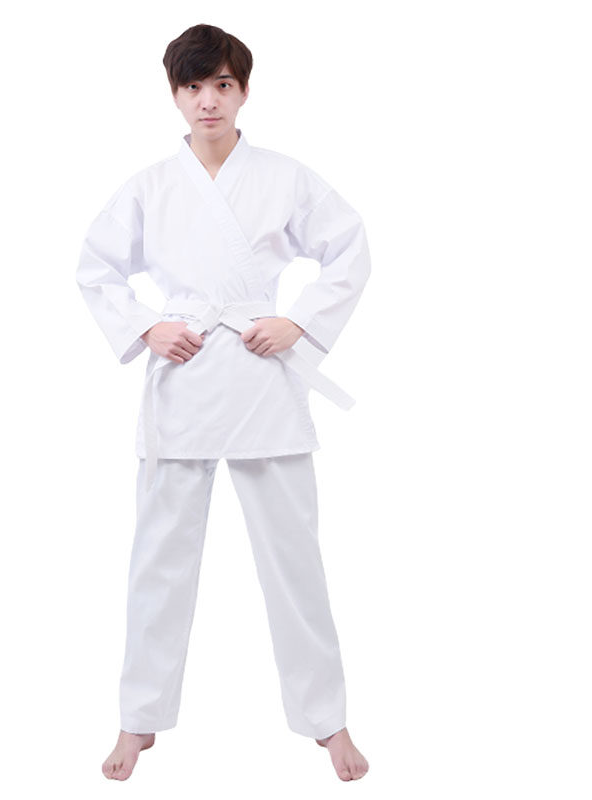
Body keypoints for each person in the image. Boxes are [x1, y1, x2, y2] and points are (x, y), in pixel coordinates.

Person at [76, 23, 371, 782]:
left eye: (223, 85)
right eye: (193, 86)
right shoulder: (149, 187)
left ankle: (327, 718)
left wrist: (298, 321)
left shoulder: (284, 177)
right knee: (159, 562)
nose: (208, 100)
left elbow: (348, 246)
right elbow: (96, 268)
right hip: (185, 376)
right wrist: (147, 326)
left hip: (259, 373)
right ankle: (138, 717)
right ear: (175, 94)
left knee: (294, 559)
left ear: (243, 91)